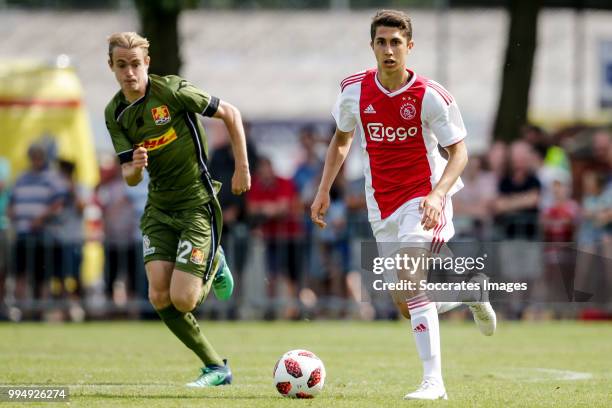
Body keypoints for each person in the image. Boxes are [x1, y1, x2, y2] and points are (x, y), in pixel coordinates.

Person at [310, 10, 496, 400]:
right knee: (405, 304)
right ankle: (469, 294)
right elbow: (342, 140)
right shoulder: (353, 91)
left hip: (423, 197)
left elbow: (459, 153)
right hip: (381, 205)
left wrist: (437, 193)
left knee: (412, 283)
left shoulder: (430, 95)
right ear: (372, 46)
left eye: (396, 42)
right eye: (382, 42)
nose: (389, 50)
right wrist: (324, 189)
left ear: (409, 47)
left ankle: (434, 383)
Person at [104, 32, 250, 387]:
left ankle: (214, 261)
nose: (129, 72)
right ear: (111, 67)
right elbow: (130, 178)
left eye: (135, 64)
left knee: (183, 300)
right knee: (158, 295)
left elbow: (230, 113)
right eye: (121, 65)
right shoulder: (115, 113)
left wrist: (241, 168)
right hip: (159, 208)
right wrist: (135, 166)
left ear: (146, 64)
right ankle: (216, 368)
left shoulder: (170, 91)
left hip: (196, 203)